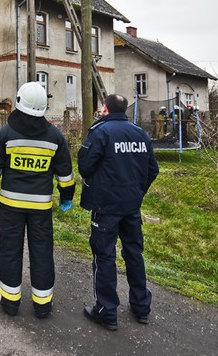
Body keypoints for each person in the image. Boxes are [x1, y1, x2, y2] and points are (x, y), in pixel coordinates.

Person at [0, 82, 75, 319]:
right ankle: (43, 305)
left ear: (20, 101)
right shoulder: (55, 136)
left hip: (11, 206)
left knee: (10, 251)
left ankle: (10, 303)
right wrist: (66, 197)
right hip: (40, 208)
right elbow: (65, 174)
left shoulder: (6, 134)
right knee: (42, 252)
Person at [78, 93, 159, 331]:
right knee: (134, 253)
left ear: (105, 109)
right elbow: (152, 169)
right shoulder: (140, 133)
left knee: (104, 256)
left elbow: (84, 165)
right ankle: (141, 307)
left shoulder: (101, 132)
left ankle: (106, 311)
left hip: (106, 207)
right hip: (131, 206)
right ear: (124, 110)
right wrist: (136, 192)